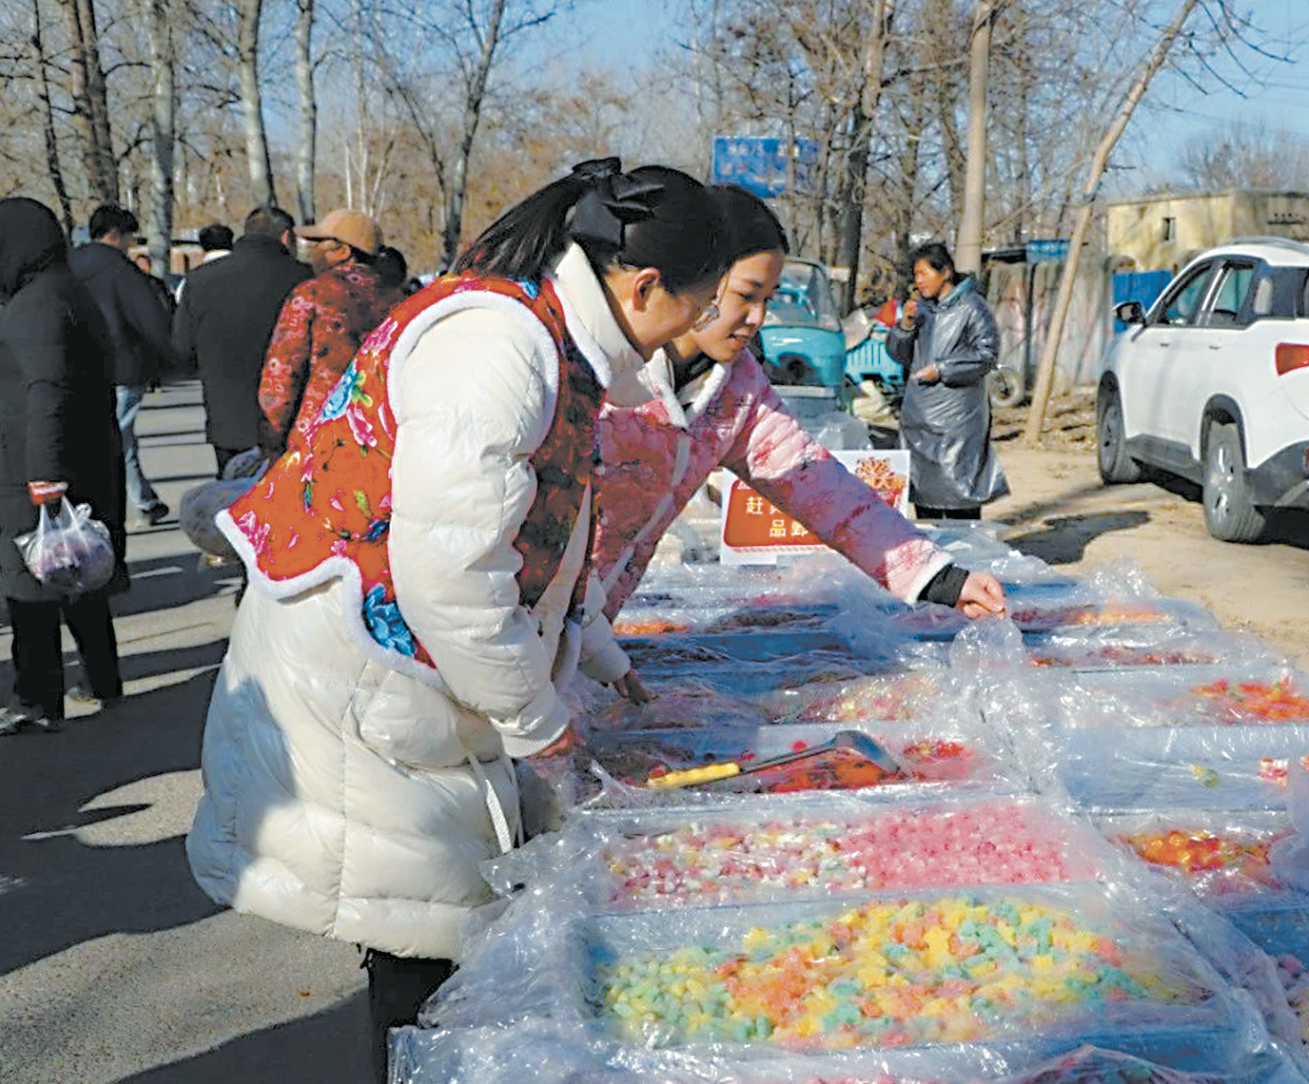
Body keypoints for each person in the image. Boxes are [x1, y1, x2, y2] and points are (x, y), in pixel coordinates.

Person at [183, 159, 728, 1080]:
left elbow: (542, 533)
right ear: (643, 287)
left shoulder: (549, 337)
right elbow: (453, 576)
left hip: (410, 672)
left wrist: (590, 648)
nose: (703, 333)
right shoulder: (500, 345)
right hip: (364, 674)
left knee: (436, 932)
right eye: (703, 307)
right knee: (419, 945)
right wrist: (539, 723)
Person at [584, 188, 1006, 673]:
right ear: (694, 278)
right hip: (510, 627)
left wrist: (942, 578)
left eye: (767, 299)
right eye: (746, 296)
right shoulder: (595, 368)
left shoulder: (734, 389)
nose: (758, 319)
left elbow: (819, 486)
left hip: (582, 631)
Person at [0, 198, 129, 732]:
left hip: (35, 464)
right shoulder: (67, 290)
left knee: (31, 584)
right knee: (78, 571)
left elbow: (45, 390)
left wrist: (43, 475)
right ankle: (102, 679)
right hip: (84, 457)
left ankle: (37, 699)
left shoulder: (36, 304)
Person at [256, 208, 406, 455]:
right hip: (382, 437)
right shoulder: (400, 301)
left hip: (318, 439)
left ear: (342, 252)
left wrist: (271, 437)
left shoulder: (312, 295)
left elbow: (282, 373)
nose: (312, 253)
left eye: (318, 244)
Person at [174, 205, 311, 475]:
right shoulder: (305, 279)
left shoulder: (200, 280)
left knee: (232, 501)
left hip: (228, 420)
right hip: (291, 420)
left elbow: (181, 348)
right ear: (285, 237)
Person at [69, 203, 177, 526]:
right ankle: (130, 502)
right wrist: (169, 356)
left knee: (107, 435)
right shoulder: (121, 269)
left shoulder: (67, 266)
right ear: (115, 234)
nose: (131, 245)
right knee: (119, 436)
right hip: (124, 365)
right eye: (129, 238)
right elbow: (151, 319)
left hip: (80, 366)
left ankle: (142, 498)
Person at [884, 241, 1009, 519]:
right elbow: (898, 354)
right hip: (919, 419)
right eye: (916, 275)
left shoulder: (973, 308)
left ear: (945, 273)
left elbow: (986, 355)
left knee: (959, 500)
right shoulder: (920, 310)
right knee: (925, 503)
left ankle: (966, 558)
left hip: (957, 422)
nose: (919, 281)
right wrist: (904, 325)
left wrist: (942, 369)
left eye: (924, 273)